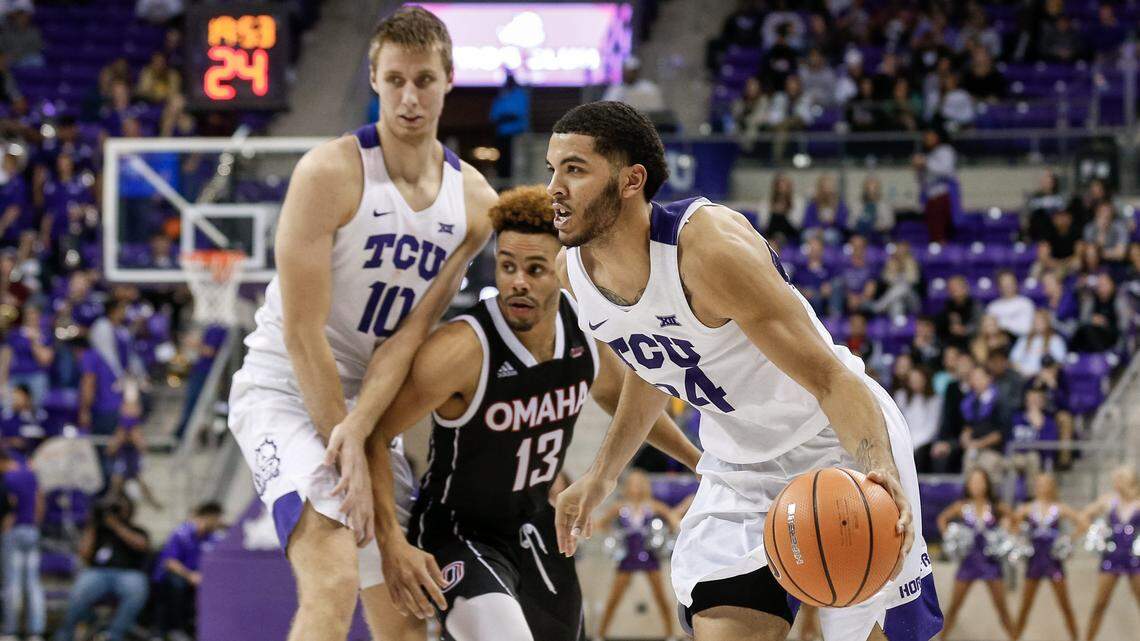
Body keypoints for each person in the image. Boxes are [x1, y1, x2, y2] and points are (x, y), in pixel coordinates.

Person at [547, 101, 941, 641]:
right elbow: (653, 362)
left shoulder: (707, 249)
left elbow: (831, 379)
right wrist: (602, 474)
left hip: (836, 442)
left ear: (631, 180)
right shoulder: (574, 274)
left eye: (574, 169)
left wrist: (879, 469)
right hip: (739, 470)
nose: (554, 188)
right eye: (553, 169)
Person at [225, 7, 497, 641]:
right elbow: (302, 334)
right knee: (332, 576)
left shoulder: (475, 204)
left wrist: (364, 433)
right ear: (374, 79)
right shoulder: (329, 173)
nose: (409, 98)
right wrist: (343, 443)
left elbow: (409, 337)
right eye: (395, 80)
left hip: (370, 408)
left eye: (424, 80)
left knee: (405, 616)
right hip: (288, 389)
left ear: (449, 80)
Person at [367, 185, 700, 640]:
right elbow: (374, 434)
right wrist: (390, 542)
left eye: (535, 268)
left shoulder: (582, 328)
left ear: (561, 268)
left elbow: (628, 405)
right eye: (507, 266)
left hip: (539, 525)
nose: (517, 282)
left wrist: (698, 462)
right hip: (462, 533)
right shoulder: (462, 349)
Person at [595, 469, 680, 641]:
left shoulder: (654, 505)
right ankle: (600, 635)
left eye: (640, 483)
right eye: (633, 483)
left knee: (661, 596)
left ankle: (671, 635)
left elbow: (673, 520)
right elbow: (601, 524)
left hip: (650, 556)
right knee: (614, 597)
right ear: (627, 486)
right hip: (628, 557)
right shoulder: (619, 506)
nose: (636, 487)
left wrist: (666, 533)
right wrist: (614, 534)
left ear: (645, 485)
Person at [53, 494, 151, 641]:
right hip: (98, 573)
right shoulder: (99, 531)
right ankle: (66, 635)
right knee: (78, 592)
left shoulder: (137, 530)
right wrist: (92, 523)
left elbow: (142, 545)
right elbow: (83, 554)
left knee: (137, 589)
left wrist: (116, 525)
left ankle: (113, 635)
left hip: (128, 574)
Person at [936, 469, 1015, 640]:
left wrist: (1007, 530)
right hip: (968, 563)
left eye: (980, 481)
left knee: (1002, 609)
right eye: (973, 481)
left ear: (987, 484)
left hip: (991, 564)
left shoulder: (996, 506)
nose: (977, 485)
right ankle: (943, 638)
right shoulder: (962, 506)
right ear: (968, 485)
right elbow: (942, 519)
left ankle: (1014, 637)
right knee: (954, 607)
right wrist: (950, 537)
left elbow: (1013, 519)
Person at [1010, 473, 1083, 641]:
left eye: (1047, 484)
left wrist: (1068, 540)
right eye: (1040, 484)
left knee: (1065, 605)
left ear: (1052, 487)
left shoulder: (1059, 508)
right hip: (1034, 562)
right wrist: (1020, 538)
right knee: (1025, 606)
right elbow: (1011, 523)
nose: (1043, 487)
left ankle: (1075, 637)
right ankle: (1015, 637)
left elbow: (1082, 523)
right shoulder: (1027, 508)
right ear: (1035, 487)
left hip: (1054, 562)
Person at [1080, 466, 1140, 641]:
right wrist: (1095, 533)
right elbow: (1084, 515)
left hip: (1135, 559)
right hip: (1111, 557)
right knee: (1100, 603)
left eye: (1119, 479)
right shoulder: (1108, 501)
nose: (1115, 483)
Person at [151, 502, 226, 641]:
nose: (220, 522)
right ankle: (171, 629)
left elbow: (218, 564)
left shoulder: (214, 538)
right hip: (175, 575)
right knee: (176, 583)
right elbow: (170, 562)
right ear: (208, 517)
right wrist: (190, 575)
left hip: (199, 578)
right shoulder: (182, 533)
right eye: (217, 518)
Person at [0, 448, 43, 641]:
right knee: (33, 584)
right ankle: (35, 631)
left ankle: (11, 631)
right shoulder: (30, 474)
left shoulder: (8, 478)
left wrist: (7, 525)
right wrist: (34, 523)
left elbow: (11, 504)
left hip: (14, 531)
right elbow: (40, 501)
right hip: (31, 530)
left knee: (13, 583)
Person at [893, 367, 941, 474]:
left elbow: (932, 428)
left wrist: (914, 443)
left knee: (919, 453)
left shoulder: (934, 399)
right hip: (905, 438)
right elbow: (898, 422)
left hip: (924, 441)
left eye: (918, 380)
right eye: (912, 380)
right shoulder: (901, 397)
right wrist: (905, 440)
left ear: (925, 380)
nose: (915, 383)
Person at [913, 128, 957, 242]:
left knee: (943, 231)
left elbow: (946, 170)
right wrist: (918, 168)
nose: (927, 139)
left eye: (931, 136)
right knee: (933, 231)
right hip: (929, 197)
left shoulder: (946, 150)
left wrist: (925, 162)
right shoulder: (927, 155)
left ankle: (945, 250)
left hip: (943, 194)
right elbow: (921, 180)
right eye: (926, 137)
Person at [490, 71, 530, 179]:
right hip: (502, 134)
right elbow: (494, 115)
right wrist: (506, 116)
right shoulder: (501, 95)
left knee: (515, 161)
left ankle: (513, 180)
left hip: (516, 134)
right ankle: (503, 180)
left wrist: (506, 116)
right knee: (503, 160)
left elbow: (519, 112)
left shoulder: (519, 94)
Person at [1010, 309, 1067, 377]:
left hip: (1043, 376)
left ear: (1047, 322)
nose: (1038, 323)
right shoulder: (1024, 339)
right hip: (1022, 375)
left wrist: (1042, 374)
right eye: (1036, 321)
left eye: (1041, 321)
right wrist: (1022, 372)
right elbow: (1014, 360)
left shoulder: (1055, 340)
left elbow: (1059, 362)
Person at [986, 271, 1035, 337]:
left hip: (1022, 339)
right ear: (999, 287)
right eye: (1004, 284)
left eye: (1010, 283)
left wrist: (1003, 326)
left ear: (1016, 284)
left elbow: (1027, 329)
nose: (1008, 287)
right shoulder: (993, 307)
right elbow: (989, 329)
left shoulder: (1026, 303)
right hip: (999, 340)